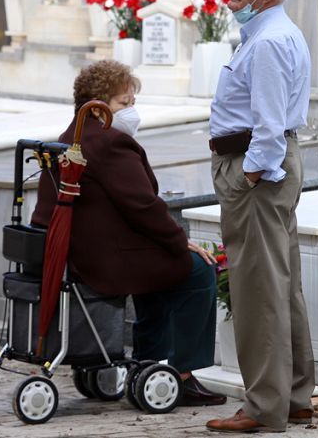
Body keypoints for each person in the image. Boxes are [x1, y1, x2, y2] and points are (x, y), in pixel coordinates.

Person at [32, 59, 225, 407]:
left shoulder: (71, 136)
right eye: (124, 103)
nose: (131, 111)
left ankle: (149, 360)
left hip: (83, 254)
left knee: (160, 267)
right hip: (106, 260)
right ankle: (182, 374)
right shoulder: (109, 143)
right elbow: (143, 206)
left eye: (132, 103)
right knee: (197, 271)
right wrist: (181, 241)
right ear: (98, 103)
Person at [205, 0, 315, 433]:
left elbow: (268, 127)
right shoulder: (273, 33)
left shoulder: (268, 42)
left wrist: (247, 175)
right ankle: (293, 396)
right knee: (281, 285)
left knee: (259, 291)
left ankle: (263, 406)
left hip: (257, 173)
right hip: (264, 171)